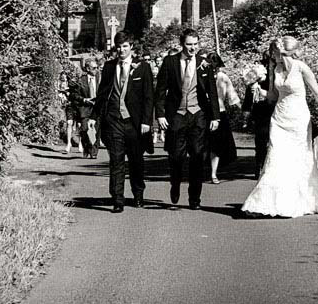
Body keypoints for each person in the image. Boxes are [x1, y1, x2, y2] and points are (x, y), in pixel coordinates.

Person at [241, 37, 318, 218]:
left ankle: (295, 202)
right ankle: (264, 204)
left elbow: (317, 93)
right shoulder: (274, 69)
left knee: (297, 159)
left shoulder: (301, 68)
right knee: (275, 157)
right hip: (279, 119)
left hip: (298, 120)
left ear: (283, 52)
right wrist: (255, 87)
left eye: (274, 52)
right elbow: (272, 96)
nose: (271, 55)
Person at [154, 28, 220, 210]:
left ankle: (194, 199)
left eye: (195, 44)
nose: (192, 48)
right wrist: (160, 114)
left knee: (198, 157)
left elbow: (212, 92)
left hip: (198, 115)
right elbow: (160, 90)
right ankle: (175, 184)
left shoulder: (204, 63)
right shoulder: (170, 62)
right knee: (176, 157)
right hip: (177, 115)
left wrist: (215, 117)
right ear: (182, 44)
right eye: (189, 44)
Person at [88, 32, 154, 213]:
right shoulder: (109, 67)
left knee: (136, 161)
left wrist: (147, 121)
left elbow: (149, 97)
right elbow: (102, 94)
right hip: (114, 120)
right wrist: (94, 117)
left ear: (131, 47)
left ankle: (138, 194)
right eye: (119, 46)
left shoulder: (143, 67)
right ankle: (117, 199)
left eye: (125, 46)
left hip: (134, 122)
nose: (121, 50)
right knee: (116, 161)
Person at [207, 52, 240, 184]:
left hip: (219, 112)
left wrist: (242, 109)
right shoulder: (201, 76)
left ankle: (213, 173)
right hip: (204, 112)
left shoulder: (223, 77)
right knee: (204, 144)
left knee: (217, 145)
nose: (215, 69)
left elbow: (231, 95)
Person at [242, 53, 274, 180]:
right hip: (260, 108)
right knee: (261, 139)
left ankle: (265, 164)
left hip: (272, 106)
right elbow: (249, 94)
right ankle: (259, 164)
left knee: (269, 139)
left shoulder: (277, 72)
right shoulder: (257, 72)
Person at [71, 58, 100, 158]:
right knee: (84, 129)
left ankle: (94, 152)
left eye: (97, 67)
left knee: (96, 130)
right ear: (87, 69)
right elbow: (74, 94)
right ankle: (87, 148)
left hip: (97, 108)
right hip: (85, 108)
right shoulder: (81, 80)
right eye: (94, 68)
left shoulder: (100, 78)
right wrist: (84, 100)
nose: (96, 70)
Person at [58, 71, 78, 154]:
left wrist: (68, 93)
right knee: (69, 123)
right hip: (68, 106)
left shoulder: (72, 84)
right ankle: (69, 144)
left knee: (78, 125)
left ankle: (80, 143)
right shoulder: (59, 84)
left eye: (64, 77)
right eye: (62, 77)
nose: (63, 78)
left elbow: (76, 92)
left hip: (76, 106)